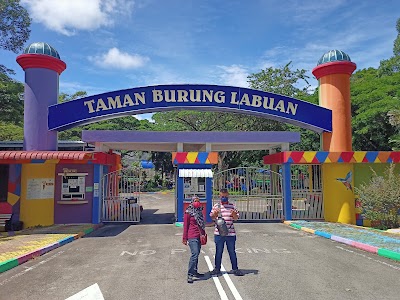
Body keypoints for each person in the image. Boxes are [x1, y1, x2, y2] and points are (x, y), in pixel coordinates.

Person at [209, 188, 244, 276]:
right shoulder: (216, 206)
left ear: (228, 195)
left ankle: (235, 269)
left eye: (225, 196)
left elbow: (236, 218)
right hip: (219, 233)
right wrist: (215, 214)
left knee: (232, 251)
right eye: (222, 196)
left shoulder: (232, 206)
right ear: (219, 196)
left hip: (231, 233)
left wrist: (234, 214)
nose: (224, 198)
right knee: (219, 251)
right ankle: (217, 269)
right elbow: (212, 217)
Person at [182, 195, 206, 283]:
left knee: (197, 254)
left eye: (198, 200)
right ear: (192, 202)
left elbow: (202, 224)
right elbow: (185, 226)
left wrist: (203, 234)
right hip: (191, 236)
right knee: (194, 254)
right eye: (195, 200)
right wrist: (184, 238)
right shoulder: (188, 212)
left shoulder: (200, 211)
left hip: (199, 236)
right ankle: (190, 274)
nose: (197, 202)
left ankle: (195, 272)